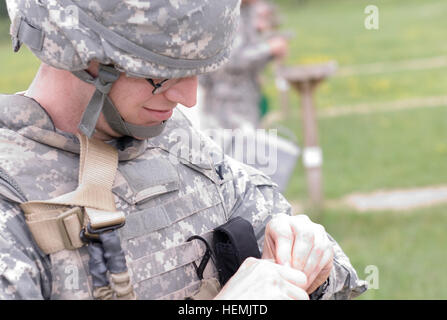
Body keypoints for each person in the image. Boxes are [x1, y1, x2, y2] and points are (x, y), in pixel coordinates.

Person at [0, 0, 367, 300]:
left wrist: (309, 267)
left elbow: (337, 280)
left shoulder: (179, 144)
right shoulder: (11, 194)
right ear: (82, 57)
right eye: (162, 76)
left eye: (196, 73)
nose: (187, 97)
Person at [198, 0, 289, 132]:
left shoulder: (247, 10)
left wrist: (270, 51)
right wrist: (268, 48)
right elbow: (227, 60)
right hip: (226, 107)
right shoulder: (223, 12)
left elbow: (248, 54)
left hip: (247, 101)